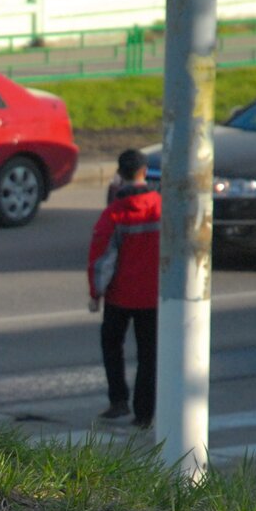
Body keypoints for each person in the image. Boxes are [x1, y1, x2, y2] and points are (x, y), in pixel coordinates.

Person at [87, 148, 161, 429]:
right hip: (153, 298)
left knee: (111, 345)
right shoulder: (161, 207)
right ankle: (144, 415)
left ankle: (119, 401)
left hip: (120, 296)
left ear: (119, 174)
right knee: (148, 356)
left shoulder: (115, 214)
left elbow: (102, 259)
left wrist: (96, 294)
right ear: (144, 172)